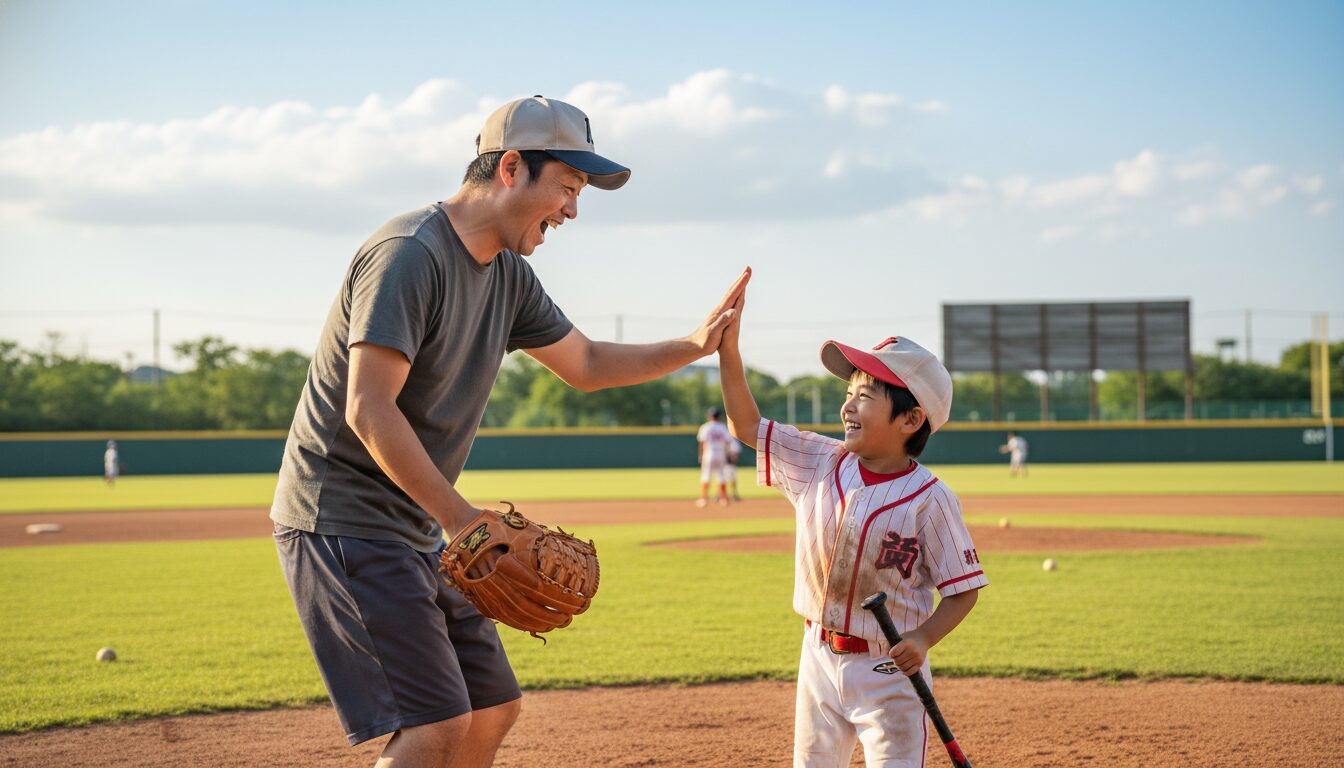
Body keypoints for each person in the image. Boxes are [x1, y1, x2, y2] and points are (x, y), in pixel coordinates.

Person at [269, 95, 750, 768]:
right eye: (568, 187)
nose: (573, 210)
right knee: (435, 724)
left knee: (492, 707)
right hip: (341, 520)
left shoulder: (511, 278)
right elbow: (368, 407)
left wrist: (694, 345)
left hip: (413, 530)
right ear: (512, 168)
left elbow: (584, 364)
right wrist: (463, 520)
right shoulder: (410, 254)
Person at [716, 287, 986, 767]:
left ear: (911, 419)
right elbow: (746, 426)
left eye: (865, 396)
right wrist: (729, 351)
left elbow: (963, 591)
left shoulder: (932, 500)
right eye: (848, 394)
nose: (848, 406)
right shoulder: (819, 460)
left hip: (889, 671)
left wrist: (922, 639)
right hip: (817, 657)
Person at [696, 406, 733, 506]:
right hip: (720, 452)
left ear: (709, 416)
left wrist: (701, 455)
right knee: (721, 476)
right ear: (719, 416)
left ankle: (703, 499)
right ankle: (723, 499)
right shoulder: (722, 427)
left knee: (706, 476)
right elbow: (728, 442)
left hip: (709, 452)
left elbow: (702, 443)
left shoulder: (705, 427)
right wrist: (728, 453)